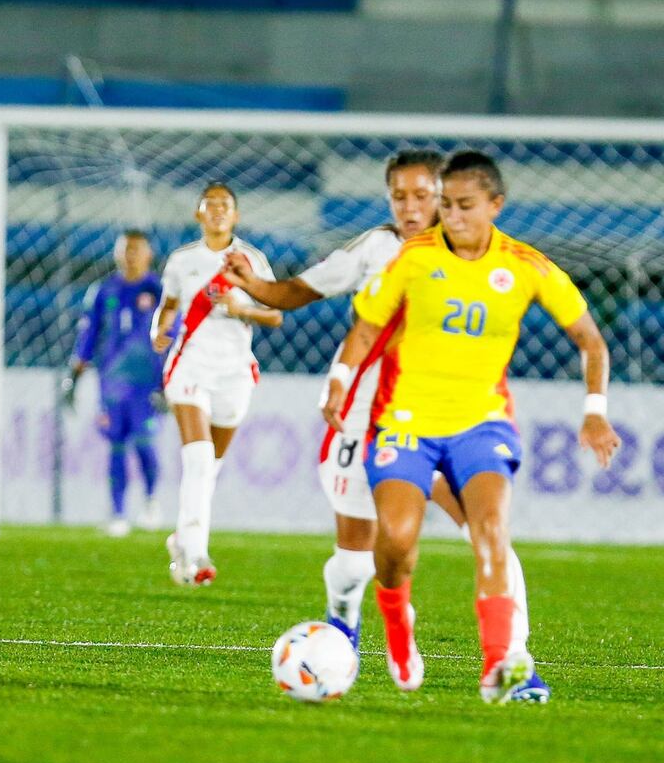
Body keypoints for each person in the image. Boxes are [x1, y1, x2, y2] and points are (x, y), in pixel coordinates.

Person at [227, 150, 548, 701]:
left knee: (486, 532)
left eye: (423, 195)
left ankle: (515, 662)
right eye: (399, 196)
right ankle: (349, 620)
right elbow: (301, 290)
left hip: (448, 420)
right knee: (358, 553)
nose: (411, 206)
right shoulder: (377, 249)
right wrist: (256, 285)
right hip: (365, 420)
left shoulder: (480, 256)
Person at [323, 150, 620, 702]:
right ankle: (397, 622)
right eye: (447, 205)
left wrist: (595, 411)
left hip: (482, 425)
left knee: (490, 534)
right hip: (404, 422)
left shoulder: (525, 266)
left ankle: (501, 665)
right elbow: (365, 328)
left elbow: (590, 340)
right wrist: (341, 376)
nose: (451, 216)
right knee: (395, 542)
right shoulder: (413, 258)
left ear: (494, 205)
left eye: (462, 206)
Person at [151, 183, 281, 586]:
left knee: (210, 468)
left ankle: (180, 538)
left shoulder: (250, 260)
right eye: (211, 206)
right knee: (199, 458)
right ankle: (196, 554)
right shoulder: (182, 261)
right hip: (188, 368)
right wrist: (160, 328)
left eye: (226, 206)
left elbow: (274, 314)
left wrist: (242, 308)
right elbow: (169, 305)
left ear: (236, 215)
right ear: (199, 215)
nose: (219, 212)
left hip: (234, 373)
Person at [63, 229, 163, 537]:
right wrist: (75, 373)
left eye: (137, 249)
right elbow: (89, 334)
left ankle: (151, 501)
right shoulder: (104, 291)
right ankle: (118, 513)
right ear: (117, 254)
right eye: (125, 249)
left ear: (148, 254)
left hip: (148, 383)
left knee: (145, 443)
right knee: (116, 445)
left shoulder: (158, 290)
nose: (130, 255)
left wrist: (170, 378)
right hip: (111, 382)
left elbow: (175, 333)